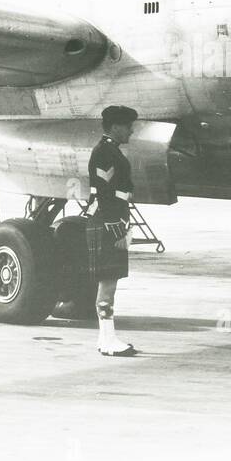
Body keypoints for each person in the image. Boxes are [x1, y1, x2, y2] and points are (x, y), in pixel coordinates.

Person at [89, 105, 139, 357]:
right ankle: (108, 341)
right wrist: (118, 228)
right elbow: (105, 191)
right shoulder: (105, 153)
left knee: (110, 280)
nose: (131, 130)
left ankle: (105, 337)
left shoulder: (110, 151)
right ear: (116, 126)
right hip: (110, 223)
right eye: (128, 125)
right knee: (108, 282)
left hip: (112, 221)